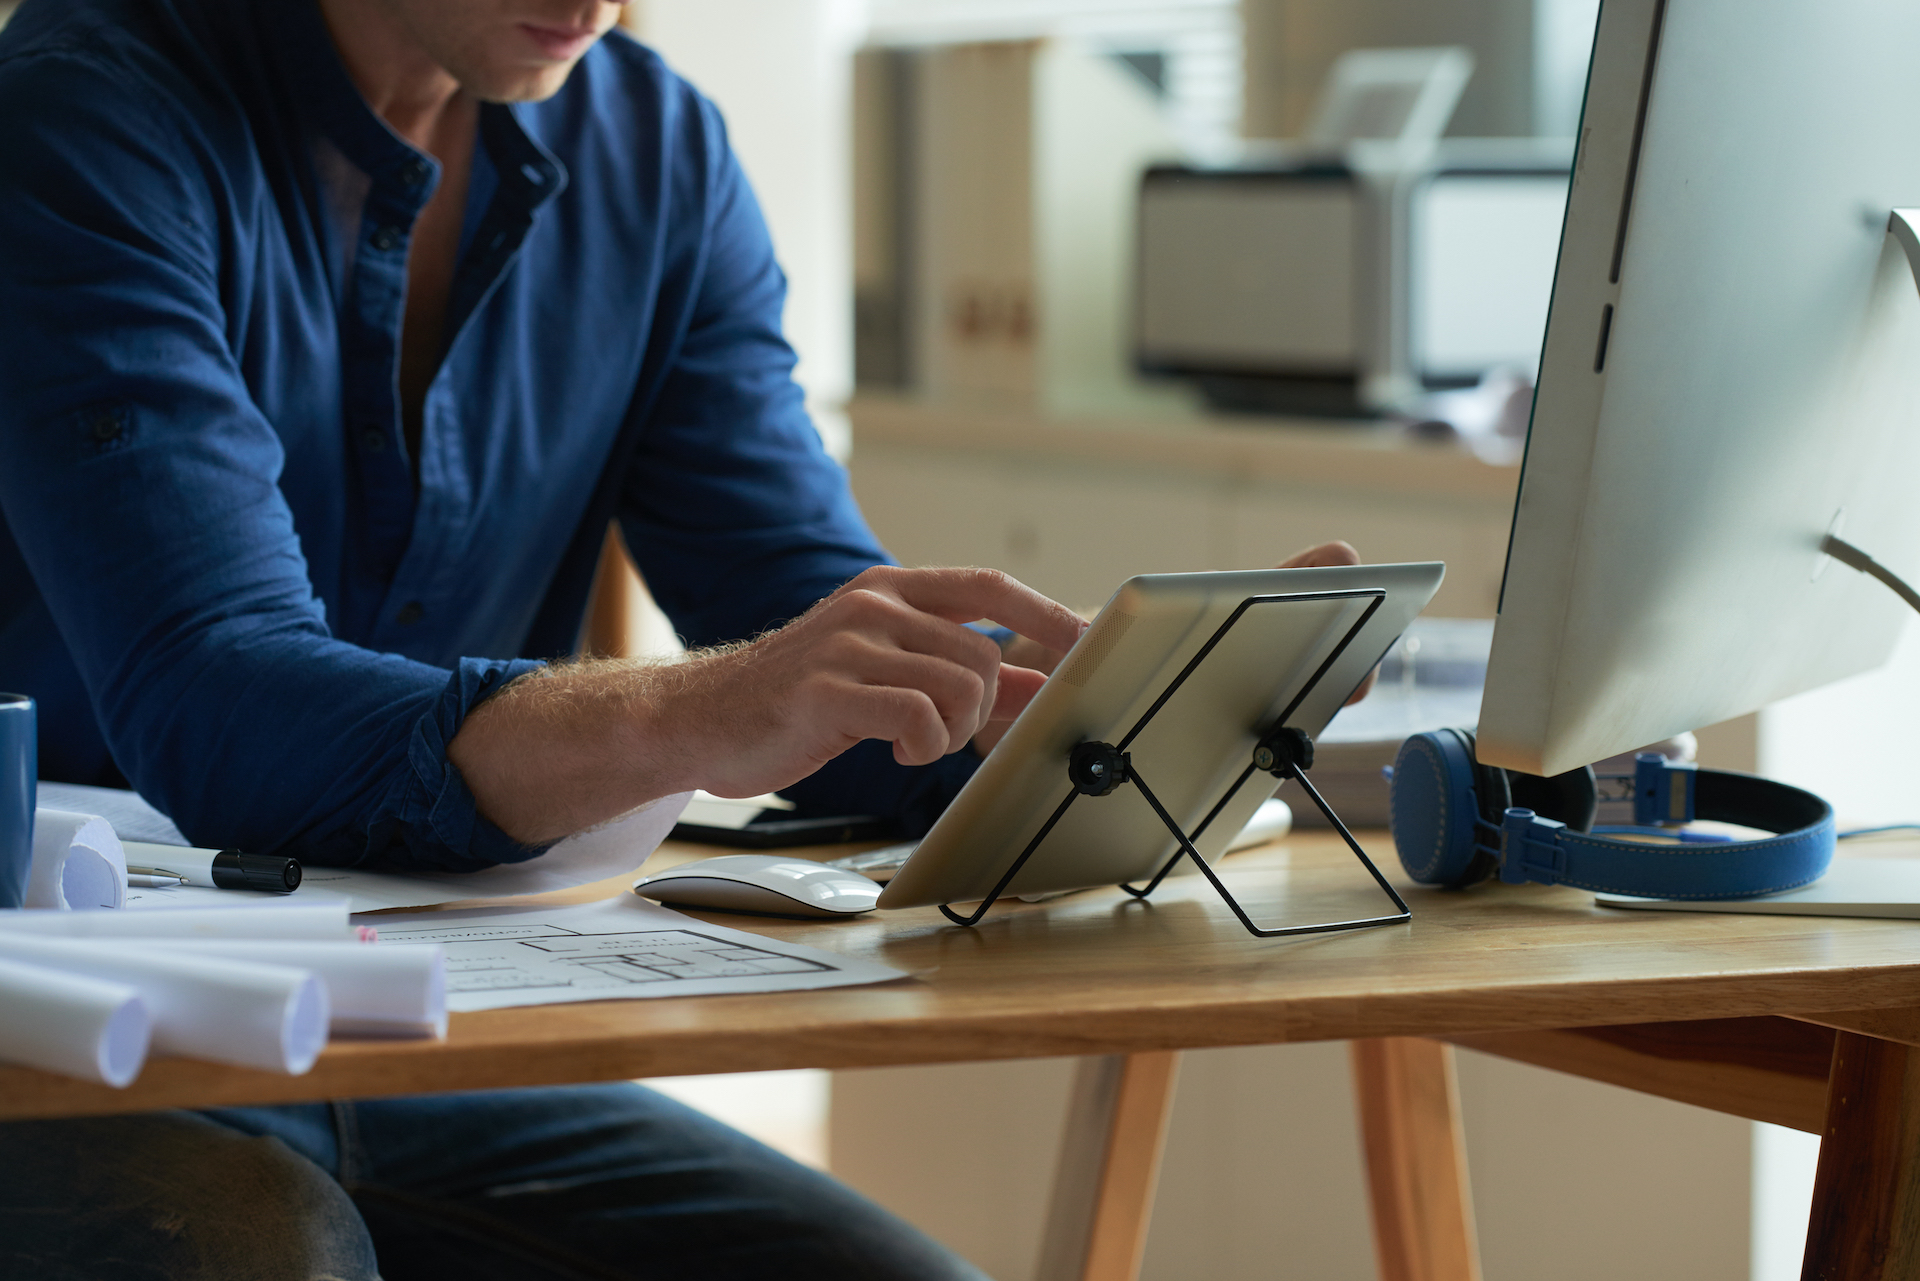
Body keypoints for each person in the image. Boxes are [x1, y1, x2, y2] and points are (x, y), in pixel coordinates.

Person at [0, 0, 1368, 1275]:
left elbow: (804, 618)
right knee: (258, 1245)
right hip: (72, 1037)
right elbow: (218, 694)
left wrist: (1098, 720)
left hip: (420, 1030)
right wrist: (694, 713)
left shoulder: (655, 152)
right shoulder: (83, 119)